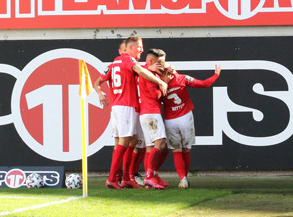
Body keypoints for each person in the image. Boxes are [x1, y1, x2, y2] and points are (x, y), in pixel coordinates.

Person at [94, 37, 156, 189]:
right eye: (139, 47)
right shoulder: (129, 61)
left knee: (133, 141)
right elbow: (141, 71)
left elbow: (97, 82)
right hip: (125, 106)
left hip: (118, 106)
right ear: (128, 49)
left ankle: (126, 177)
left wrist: (100, 92)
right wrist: (158, 80)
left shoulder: (114, 64)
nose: (141, 50)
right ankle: (112, 178)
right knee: (124, 142)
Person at [160, 61, 221, 189]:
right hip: (185, 117)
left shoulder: (159, 83)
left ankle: (183, 179)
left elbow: (153, 98)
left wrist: (163, 82)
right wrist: (216, 75)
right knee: (186, 149)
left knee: (176, 150)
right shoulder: (182, 78)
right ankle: (184, 179)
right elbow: (204, 84)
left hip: (170, 120)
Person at [138, 48, 170, 189]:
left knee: (151, 147)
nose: (163, 65)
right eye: (160, 62)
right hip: (151, 113)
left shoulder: (146, 71)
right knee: (161, 145)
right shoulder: (149, 75)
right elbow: (155, 96)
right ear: (151, 62)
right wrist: (164, 82)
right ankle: (151, 176)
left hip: (146, 113)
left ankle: (151, 177)